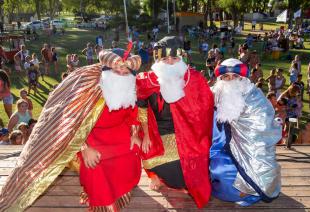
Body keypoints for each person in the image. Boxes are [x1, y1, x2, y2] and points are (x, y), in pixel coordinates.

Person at [0, 47, 143, 211]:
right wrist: (84, 148)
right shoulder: (88, 89)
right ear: (107, 69)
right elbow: (71, 122)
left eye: (126, 72)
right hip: (88, 136)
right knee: (95, 163)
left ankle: (121, 190)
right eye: (118, 70)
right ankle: (103, 199)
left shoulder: (131, 87)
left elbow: (134, 114)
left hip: (119, 134)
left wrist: (134, 134)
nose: (122, 75)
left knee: (132, 153)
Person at [136, 36, 214, 208]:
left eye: (174, 58)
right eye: (164, 58)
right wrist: (147, 135)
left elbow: (205, 109)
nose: (170, 62)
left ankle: (175, 180)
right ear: (158, 59)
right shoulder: (146, 81)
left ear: (182, 58)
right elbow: (141, 110)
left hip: (189, 133)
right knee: (158, 161)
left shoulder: (194, 79)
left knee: (190, 169)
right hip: (158, 133)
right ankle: (154, 175)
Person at [210, 58, 281, 206]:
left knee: (234, 173)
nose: (230, 80)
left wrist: (240, 126)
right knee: (217, 167)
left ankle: (249, 188)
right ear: (220, 79)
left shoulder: (255, 96)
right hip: (220, 146)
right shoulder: (215, 93)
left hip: (249, 148)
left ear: (242, 78)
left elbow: (262, 124)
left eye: (235, 76)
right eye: (226, 77)